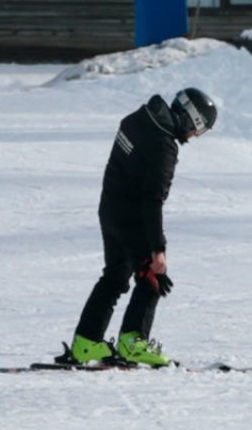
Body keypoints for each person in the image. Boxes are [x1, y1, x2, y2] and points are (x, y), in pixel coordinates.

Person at [65, 88, 219, 367]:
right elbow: (152, 201)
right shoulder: (164, 145)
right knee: (153, 277)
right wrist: (157, 249)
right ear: (189, 119)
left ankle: (86, 342)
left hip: (109, 210)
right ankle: (133, 342)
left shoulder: (138, 118)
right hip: (131, 217)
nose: (194, 136)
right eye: (198, 129)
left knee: (114, 277)